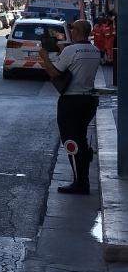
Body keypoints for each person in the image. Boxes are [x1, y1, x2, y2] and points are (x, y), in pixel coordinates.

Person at [39, 20, 100, 195]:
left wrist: (44, 58)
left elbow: (54, 72)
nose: (70, 31)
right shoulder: (95, 51)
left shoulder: (70, 50)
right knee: (80, 138)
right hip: (88, 101)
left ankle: (80, 183)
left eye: (72, 28)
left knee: (71, 141)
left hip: (71, 101)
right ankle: (83, 178)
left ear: (78, 31)